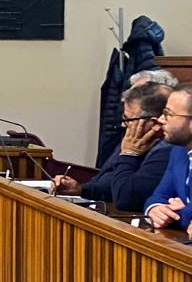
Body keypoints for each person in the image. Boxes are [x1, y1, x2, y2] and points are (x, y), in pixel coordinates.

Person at [54, 82, 172, 211]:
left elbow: (125, 198)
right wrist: (81, 189)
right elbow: (112, 181)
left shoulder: (166, 150)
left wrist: (129, 155)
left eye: (128, 119)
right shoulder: (136, 141)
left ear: (155, 122)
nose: (123, 125)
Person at [144, 87, 192, 233]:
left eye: (168, 114)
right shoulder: (178, 151)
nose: (160, 120)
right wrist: (155, 209)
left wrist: (181, 213)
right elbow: (159, 196)